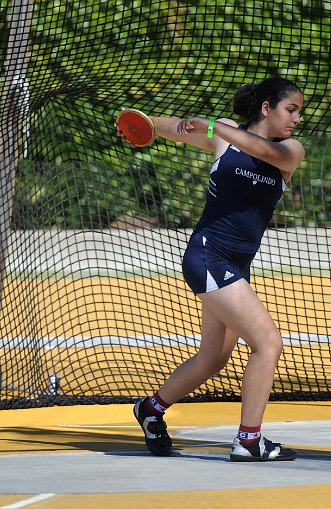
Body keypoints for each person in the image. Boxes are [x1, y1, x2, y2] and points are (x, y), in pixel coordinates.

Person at [120, 77, 305, 462]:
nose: (296, 119)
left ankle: (150, 409)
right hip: (208, 255)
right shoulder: (223, 136)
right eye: (291, 109)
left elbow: (257, 148)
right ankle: (249, 440)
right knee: (267, 343)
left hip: (235, 264)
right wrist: (143, 123)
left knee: (213, 358)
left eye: (298, 112)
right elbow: (174, 127)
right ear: (266, 108)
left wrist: (213, 125)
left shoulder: (290, 151)